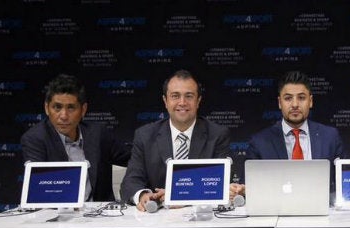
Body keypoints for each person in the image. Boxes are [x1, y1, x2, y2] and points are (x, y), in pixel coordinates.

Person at [120, 69, 235, 211]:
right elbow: (131, 182)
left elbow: (221, 184)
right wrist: (143, 195)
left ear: (198, 101)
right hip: (157, 218)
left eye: (189, 96)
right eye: (175, 96)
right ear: (165, 101)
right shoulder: (145, 135)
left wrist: (178, 196)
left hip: (201, 217)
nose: (182, 102)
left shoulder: (217, 135)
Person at [21, 73, 131, 202]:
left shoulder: (97, 133)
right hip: (57, 216)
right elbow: (40, 190)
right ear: (47, 108)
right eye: (57, 107)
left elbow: (134, 159)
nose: (63, 115)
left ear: (83, 110)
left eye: (71, 108)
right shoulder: (35, 139)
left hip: (100, 216)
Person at [235, 70, 344, 197]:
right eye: (288, 98)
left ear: (311, 101)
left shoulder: (330, 137)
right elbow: (247, 188)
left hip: (321, 211)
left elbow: (344, 184)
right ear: (280, 103)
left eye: (301, 98)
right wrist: (240, 191)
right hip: (276, 212)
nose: (295, 104)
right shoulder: (259, 142)